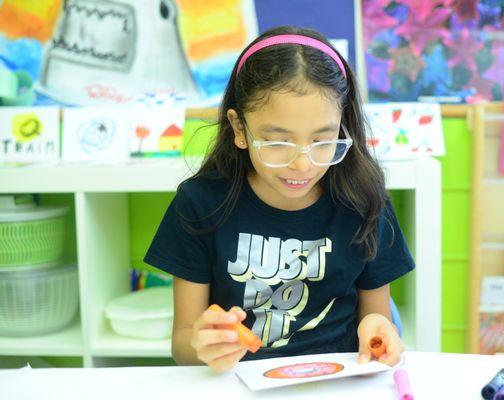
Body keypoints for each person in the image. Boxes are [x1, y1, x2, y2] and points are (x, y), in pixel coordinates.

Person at [144, 25, 415, 373]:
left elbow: (376, 315)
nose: (302, 164)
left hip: (337, 376)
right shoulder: (201, 203)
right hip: (239, 380)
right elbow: (183, 344)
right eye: (277, 142)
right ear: (240, 129)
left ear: (342, 126)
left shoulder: (362, 199)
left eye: (323, 140)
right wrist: (205, 346)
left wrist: (379, 329)